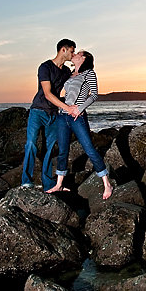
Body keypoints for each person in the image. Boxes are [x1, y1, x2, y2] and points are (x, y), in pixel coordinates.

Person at [48, 50, 113, 200]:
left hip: (77, 117)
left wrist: (79, 108)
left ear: (84, 58)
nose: (74, 54)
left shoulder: (89, 73)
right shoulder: (70, 74)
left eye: (78, 53)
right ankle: (59, 184)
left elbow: (94, 94)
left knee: (89, 149)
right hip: (63, 116)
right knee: (63, 150)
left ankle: (106, 183)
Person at [20, 39, 80, 190]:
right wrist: (67, 108)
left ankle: (48, 183)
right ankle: (26, 181)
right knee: (31, 144)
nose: (72, 54)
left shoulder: (66, 71)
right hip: (38, 110)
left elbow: (78, 79)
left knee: (50, 148)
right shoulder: (45, 67)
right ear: (63, 50)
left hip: (54, 113)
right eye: (72, 51)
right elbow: (47, 94)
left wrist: (79, 62)